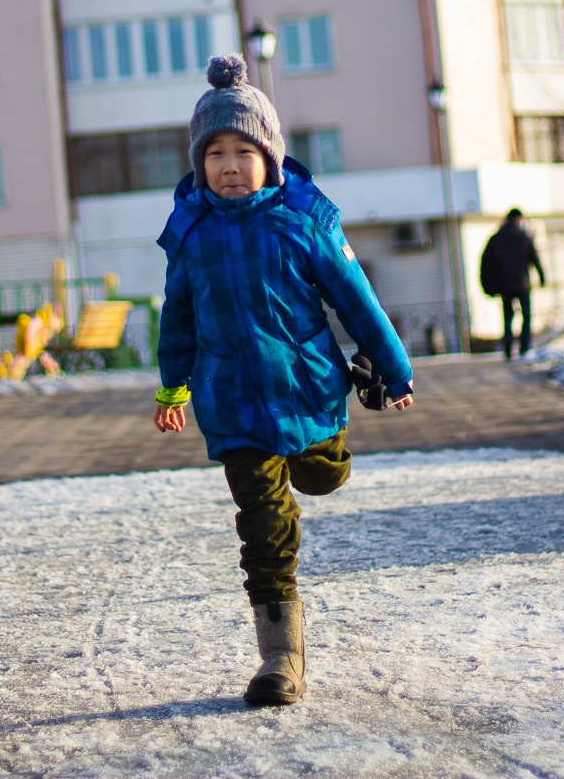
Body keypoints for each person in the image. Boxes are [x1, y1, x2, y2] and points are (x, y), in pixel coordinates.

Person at [153, 54, 414, 707]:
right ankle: (281, 662)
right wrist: (172, 388)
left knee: (320, 476)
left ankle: (323, 458)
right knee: (263, 529)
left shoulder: (303, 223)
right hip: (231, 407)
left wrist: (392, 367)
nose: (229, 165)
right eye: (214, 152)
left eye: (244, 149)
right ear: (198, 163)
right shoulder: (190, 235)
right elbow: (177, 321)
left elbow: (357, 304)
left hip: (308, 394)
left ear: (269, 156)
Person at [479, 209, 545, 360]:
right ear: (518, 219)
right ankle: (525, 347)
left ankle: (508, 348)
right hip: (522, 284)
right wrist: (542, 277)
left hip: (504, 285)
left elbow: (486, 263)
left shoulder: (496, 238)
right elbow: (535, 258)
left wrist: (487, 286)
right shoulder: (523, 236)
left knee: (508, 317)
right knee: (526, 316)